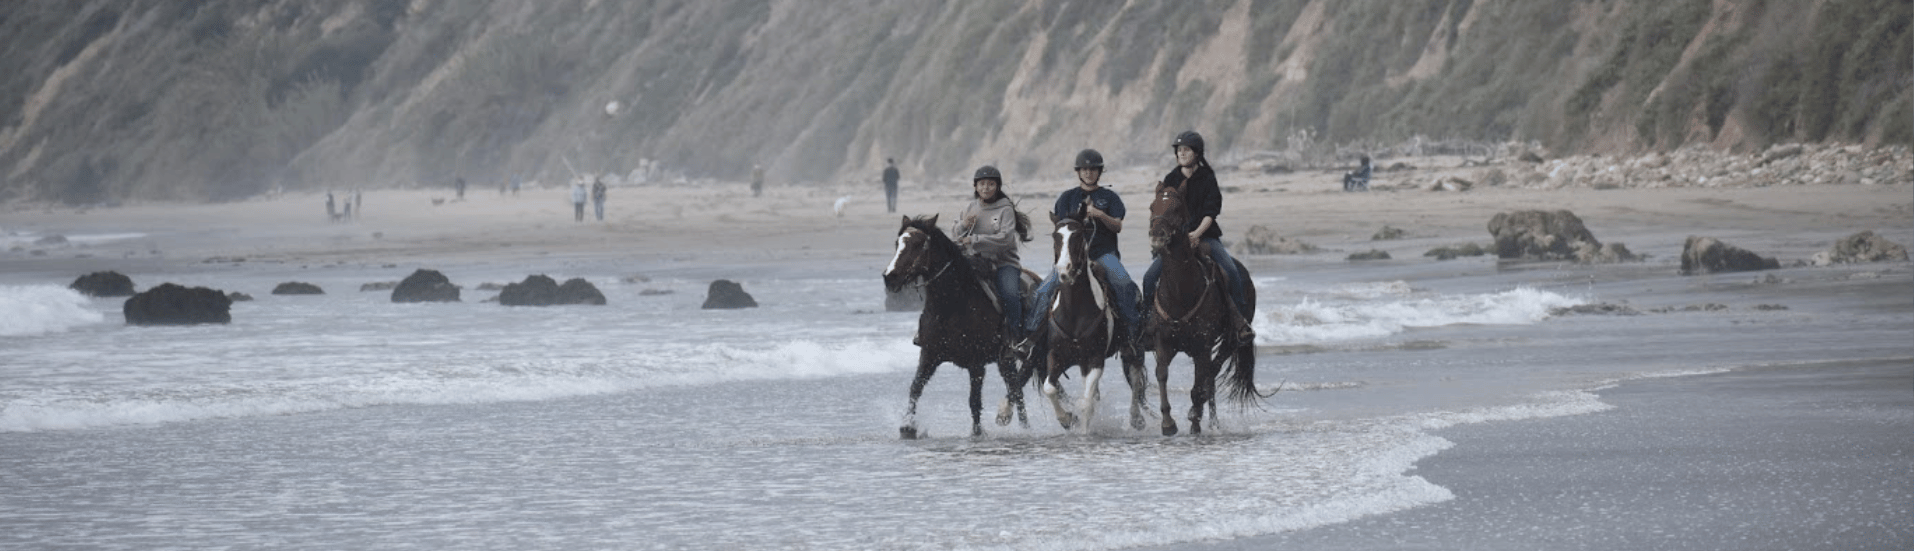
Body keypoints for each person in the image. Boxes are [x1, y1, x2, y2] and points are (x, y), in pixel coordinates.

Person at [1020, 149, 1141, 353]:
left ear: (1099, 172)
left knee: (1124, 282)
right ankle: (1030, 338)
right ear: (1078, 172)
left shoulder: (1109, 197)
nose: (1088, 173)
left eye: (1093, 169)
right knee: (1044, 290)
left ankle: (1133, 334)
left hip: (1103, 254)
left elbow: (1117, 226)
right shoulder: (1067, 198)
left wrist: (1100, 215)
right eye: (1084, 169)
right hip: (1073, 257)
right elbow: (1059, 229)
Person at [1142, 130, 1254, 341]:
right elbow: (1164, 212)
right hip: (1175, 242)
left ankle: (1240, 322)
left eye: (1186, 150)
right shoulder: (1171, 179)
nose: (1182, 154)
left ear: (1197, 153)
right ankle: (1147, 323)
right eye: (1179, 150)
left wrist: (1196, 234)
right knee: (1149, 277)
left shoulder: (1207, 178)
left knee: (1231, 270)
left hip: (1206, 237)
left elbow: (1211, 212)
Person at [951, 165, 1032, 345]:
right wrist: (963, 225)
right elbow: (955, 236)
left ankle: (1015, 337)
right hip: (974, 262)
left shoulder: (1005, 209)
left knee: (1010, 294)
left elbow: (1006, 239)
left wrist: (974, 239)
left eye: (990, 184)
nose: (985, 188)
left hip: (1004, 264)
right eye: (981, 184)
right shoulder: (970, 207)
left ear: (997, 187)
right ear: (975, 186)